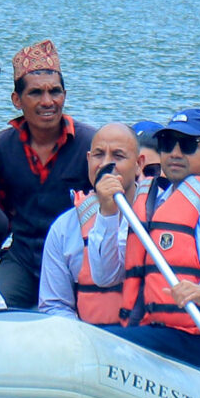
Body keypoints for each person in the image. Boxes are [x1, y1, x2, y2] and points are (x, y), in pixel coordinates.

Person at [80, 108, 200, 375]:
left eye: (189, 145)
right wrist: (108, 212)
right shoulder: (149, 206)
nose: (176, 153)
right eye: (168, 144)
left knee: (97, 342)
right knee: (86, 338)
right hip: (158, 332)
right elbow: (105, 275)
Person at [0, 40, 94, 309]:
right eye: (36, 93)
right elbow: (0, 215)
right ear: (16, 100)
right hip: (24, 259)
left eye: (55, 92)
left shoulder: (90, 144)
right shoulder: (4, 145)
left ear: (64, 96)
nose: (48, 101)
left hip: (75, 261)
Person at [36, 123, 147, 322]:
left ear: (139, 163)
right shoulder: (64, 227)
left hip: (143, 339)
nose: (106, 164)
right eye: (98, 155)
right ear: (88, 160)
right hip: (88, 339)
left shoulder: (156, 215)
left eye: (118, 156)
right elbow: (54, 304)